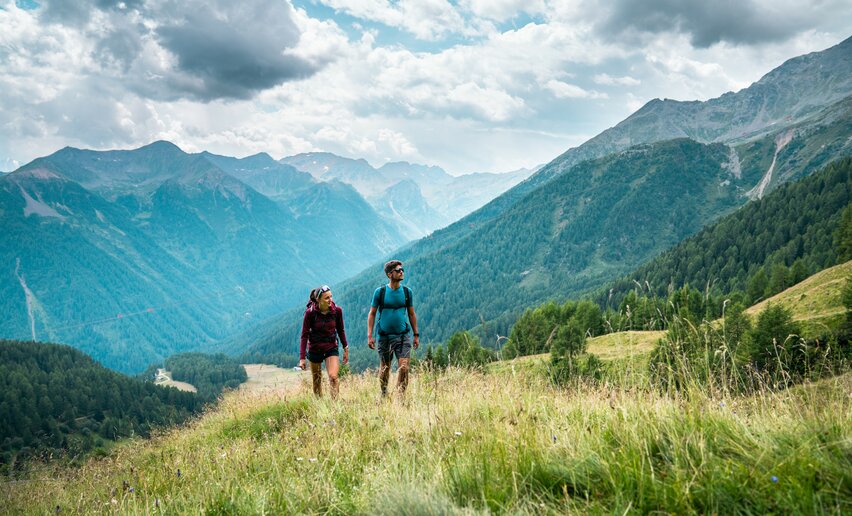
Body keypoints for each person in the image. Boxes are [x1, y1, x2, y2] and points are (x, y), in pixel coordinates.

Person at [367, 260, 419, 397]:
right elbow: (372, 313)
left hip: (403, 335)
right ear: (390, 274)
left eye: (402, 270)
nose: (402, 272)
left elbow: (411, 314)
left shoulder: (407, 292)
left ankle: (400, 397)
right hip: (384, 336)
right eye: (398, 270)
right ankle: (384, 393)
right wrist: (370, 336)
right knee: (385, 368)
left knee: (404, 367)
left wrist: (416, 334)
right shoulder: (380, 292)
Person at [300, 285, 349, 399]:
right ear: (318, 300)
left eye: (331, 297)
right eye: (327, 298)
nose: (330, 300)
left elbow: (341, 330)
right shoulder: (310, 313)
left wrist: (345, 348)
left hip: (331, 346)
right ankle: (319, 404)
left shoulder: (337, 311)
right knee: (317, 380)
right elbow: (304, 335)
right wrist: (302, 358)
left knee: (333, 377)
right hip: (315, 348)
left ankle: (334, 406)